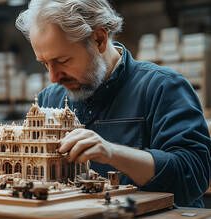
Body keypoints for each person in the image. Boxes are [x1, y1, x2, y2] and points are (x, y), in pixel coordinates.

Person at [15, 0, 211, 207]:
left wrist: (112, 153)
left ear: (99, 39)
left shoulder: (162, 87)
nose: (53, 77)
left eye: (63, 61)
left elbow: (193, 177)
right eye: (45, 63)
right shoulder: (49, 101)